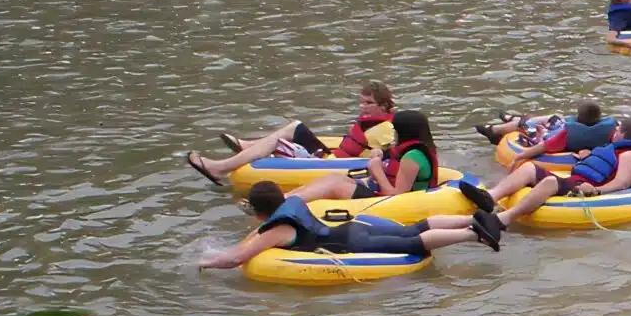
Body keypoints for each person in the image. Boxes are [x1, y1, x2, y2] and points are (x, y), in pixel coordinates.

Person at [199, 180, 499, 270]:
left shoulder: (277, 230)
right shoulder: (293, 205)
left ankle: (474, 234)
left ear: (260, 212)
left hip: (350, 244)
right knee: (414, 228)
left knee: (413, 243)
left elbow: (239, 258)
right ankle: (473, 218)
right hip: (353, 229)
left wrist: (207, 262)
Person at [184, 81, 396, 186]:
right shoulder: (373, 123)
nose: (363, 107)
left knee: (285, 135)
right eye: (361, 102)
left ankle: (220, 168)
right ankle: (245, 148)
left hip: (330, 162)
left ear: (384, 106)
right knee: (293, 129)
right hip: (336, 156)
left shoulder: (385, 129)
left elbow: (387, 154)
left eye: (369, 103)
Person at [488, 116, 631, 226]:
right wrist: (587, 157)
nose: (615, 131)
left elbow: (621, 183)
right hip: (575, 180)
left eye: (618, 130)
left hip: (586, 187)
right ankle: (490, 196)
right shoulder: (615, 149)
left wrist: (596, 191)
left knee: (550, 182)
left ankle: (506, 218)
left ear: (624, 134)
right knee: (529, 168)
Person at [290, 109, 442, 204]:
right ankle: (284, 199)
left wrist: (377, 171)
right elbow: (394, 165)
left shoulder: (412, 157)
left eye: (395, 129)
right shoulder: (417, 148)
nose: (393, 133)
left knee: (336, 186)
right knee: (333, 177)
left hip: (392, 202)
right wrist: (380, 155)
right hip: (380, 191)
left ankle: (285, 204)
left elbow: (397, 196)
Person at [477, 100, 619, 160]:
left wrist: (518, 157)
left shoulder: (567, 133)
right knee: (555, 117)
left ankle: (495, 130)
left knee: (531, 124)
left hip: (548, 135)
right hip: (567, 138)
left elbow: (544, 146)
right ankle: (511, 119)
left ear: (578, 116)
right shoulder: (609, 131)